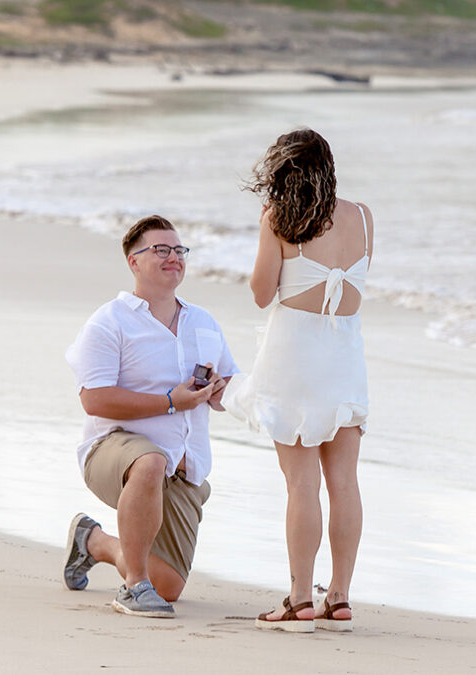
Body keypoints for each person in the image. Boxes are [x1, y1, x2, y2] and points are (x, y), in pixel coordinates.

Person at [224, 128, 373, 633]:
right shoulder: (363, 218)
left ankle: (298, 599)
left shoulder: (279, 219)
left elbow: (263, 294)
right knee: (344, 482)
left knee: (301, 485)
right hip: (344, 360)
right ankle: (340, 596)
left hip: (294, 361)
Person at [63, 214, 238, 618]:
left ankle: (93, 541)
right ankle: (133, 588)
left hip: (182, 468)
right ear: (134, 262)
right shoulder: (109, 322)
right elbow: (94, 400)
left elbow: (225, 389)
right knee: (150, 460)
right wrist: (170, 402)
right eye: (161, 249)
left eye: (179, 250)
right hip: (113, 449)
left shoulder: (203, 322)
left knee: (170, 587)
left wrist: (222, 390)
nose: (173, 257)